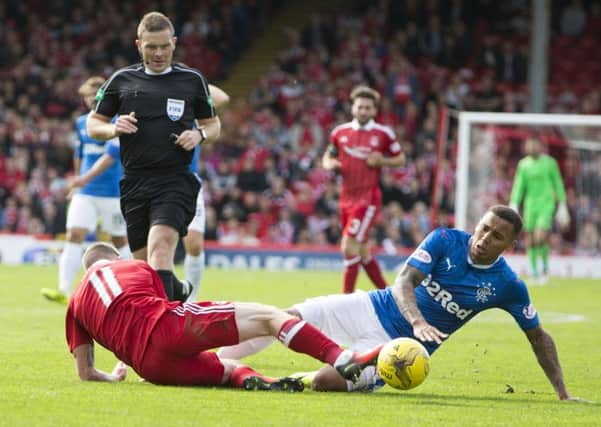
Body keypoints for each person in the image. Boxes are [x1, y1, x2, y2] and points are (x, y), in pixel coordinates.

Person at [218, 206, 583, 401]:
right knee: (287, 317)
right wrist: (418, 319)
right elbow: (405, 280)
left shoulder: (507, 285)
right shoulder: (444, 239)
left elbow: (538, 336)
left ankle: (285, 381)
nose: (484, 238)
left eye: (496, 236)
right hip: (372, 306)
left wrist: (563, 394)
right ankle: (216, 364)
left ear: (510, 246)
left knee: (327, 383)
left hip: (399, 351)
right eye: (484, 228)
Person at [65, 241, 382, 390]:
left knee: (229, 371)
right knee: (269, 317)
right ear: (114, 258)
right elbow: (160, 311)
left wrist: (115, 376)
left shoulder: (75, 304)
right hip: (170, 327)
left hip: (150, 366)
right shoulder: (133, 266)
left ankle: (272, 383)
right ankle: (340, 358)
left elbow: (85, 372)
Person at [87, 12, 221, 301]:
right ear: (139, 45)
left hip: (175, 180)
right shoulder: (121, 80)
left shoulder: (192, 80)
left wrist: (200, 135)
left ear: (174, 43)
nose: (158, 53)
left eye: (164, 46)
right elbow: (93, 124)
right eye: (151, 47)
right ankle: (179, 294)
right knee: (145, 270)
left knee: (161, 248)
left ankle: (165, 338)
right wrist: (112, 129)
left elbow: (214, 124)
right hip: (135, 182)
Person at [71, 84, 230, 302]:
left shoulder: (190, 105)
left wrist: (189, 79)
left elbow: (222, 97)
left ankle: (191, 299)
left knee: (193, 243)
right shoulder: (148, 103)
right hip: (148, 183)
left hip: (185, 182)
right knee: (153, 249)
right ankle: (168, 294)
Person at [41, 76, 131, 305]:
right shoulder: (82, 122)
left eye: (95, 95)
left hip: (113, 192)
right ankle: (63, 290)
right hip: (86, 192)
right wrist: (78, 182)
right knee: (74, 234)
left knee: (119, 240)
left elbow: (111, 156)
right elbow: (79, 155)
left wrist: (82, 179)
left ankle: (133, 288)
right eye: (88, 96)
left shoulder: (119, 121)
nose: (91, 99)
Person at [322, 85, 405, 293]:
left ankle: (345, 299)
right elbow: (328, 156)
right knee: (363, 252)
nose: (364, 111)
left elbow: (400, 159)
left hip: (367, 198)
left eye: (368, 108)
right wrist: (329, 164)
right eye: (360, 107)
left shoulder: (383, 134)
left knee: (348, 247)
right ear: (353, 108)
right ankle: (391, 297)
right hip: (345, 198)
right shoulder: (339, 133)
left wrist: (383, 160)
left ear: (374, 110)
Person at [510, 137, 570, 284]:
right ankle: (535, 273)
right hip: (530, 206)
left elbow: (557, 183)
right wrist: (514, 203)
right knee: (530, 240)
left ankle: (544, 269)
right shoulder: (523, 165)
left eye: (534, 144)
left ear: (540, 146)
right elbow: (519, 185)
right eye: (529, 144)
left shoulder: (550, 163)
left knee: (540, 237)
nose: (531, 147)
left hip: (546, 204)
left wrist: (562, 203)